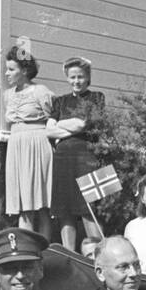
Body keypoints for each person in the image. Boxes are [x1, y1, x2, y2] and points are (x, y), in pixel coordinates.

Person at [48, 56, 107, 251]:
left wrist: (63, 125)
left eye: (80, 77)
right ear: (67, 78)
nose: (76, 81)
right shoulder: (60, 101)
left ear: (88, 77)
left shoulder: (97, 97)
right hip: (63, 159)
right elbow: (49, 130)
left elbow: (85, 124)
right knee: (65, 210)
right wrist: (74, 125)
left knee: (88, 208)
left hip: (87, 158)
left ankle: (99, 254)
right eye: (72, 77)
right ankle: (69, 255)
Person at [2, 43, 55, 240]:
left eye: (11, 69)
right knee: (23, 203)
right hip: (16, 148)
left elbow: (53, 117)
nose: (7, 74)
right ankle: (27, 248)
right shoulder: (7, 95)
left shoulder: (40, 91)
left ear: (24, 70)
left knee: (41, 202)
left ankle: (46, 249)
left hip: (38, 146)